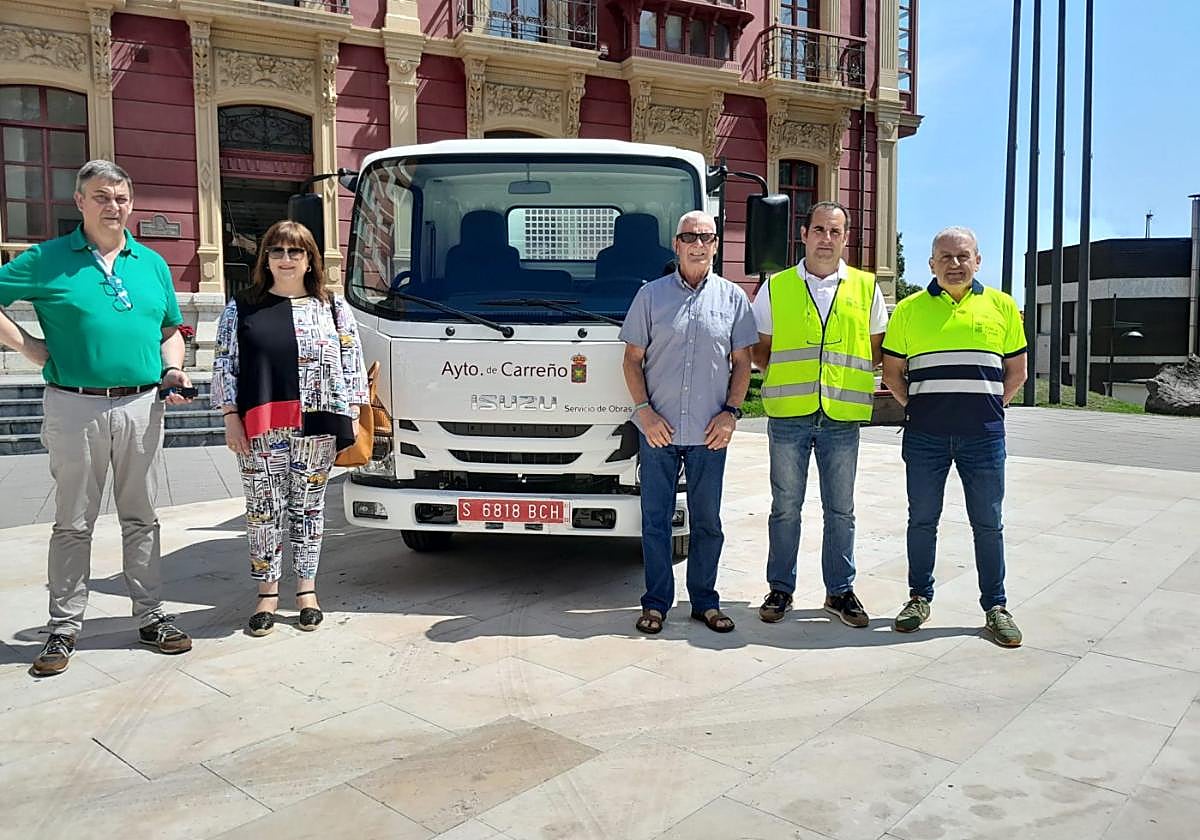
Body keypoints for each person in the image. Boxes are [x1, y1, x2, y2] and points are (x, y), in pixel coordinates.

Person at [0, 159, 194, 676]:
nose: (114, 206)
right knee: (74, 520)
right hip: (75, 404)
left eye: (121, 197)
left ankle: (151, 616)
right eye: (102, 197)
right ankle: (64, 627)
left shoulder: (150, 262)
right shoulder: (46, 259)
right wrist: (30, 347)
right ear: (80, 202)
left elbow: (170, 330)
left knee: (142, 515)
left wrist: (173, 369)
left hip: (141, 405)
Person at [212, 220, 368, 637]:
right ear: (266, 258)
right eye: (277, 251)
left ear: (309, 260)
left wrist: (354, 413)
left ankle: (306, 593)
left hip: (319, 423)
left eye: (295, 251)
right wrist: (229, 416)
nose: (286, 259)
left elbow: (352, 361)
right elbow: (225, 362)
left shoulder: (332, 306)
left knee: (309, 508)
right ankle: (266, 595)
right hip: (261, 425)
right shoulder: (242, 306)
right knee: (263, 510)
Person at [880, 226, 1027, 647]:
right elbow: (892, 373)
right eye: (945, 257)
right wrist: (918, 408)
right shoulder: (909, 310)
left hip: (984, 438)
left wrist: (991, 406)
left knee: (988, 523)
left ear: (978, 261)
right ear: (931, 264)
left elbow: (1016, 372)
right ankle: (918, 598)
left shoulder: (1002, 306)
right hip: (925, 437)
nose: (955, 264)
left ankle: (995, 606)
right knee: (922, 520)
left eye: (963, 256)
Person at [751, 201, 888, 628]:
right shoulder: (776, 287)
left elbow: (876, 350)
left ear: (845, 238)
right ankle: (780, 588)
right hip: (789, 415)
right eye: (819, 230)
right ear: (804, 235)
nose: (826, 239)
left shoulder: (867, 288)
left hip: (841, 416)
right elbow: (759, 350)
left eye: (835, 231)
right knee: (785, 508)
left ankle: (840, 591)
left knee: (841, 510)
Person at [619, 210, 758, 634]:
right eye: (690, 237)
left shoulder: (733, 299)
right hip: (658, 431)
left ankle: (705, 602)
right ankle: (656, 603)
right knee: (655, 521)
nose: (698, 244)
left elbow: (743, 363)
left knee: (707, 522)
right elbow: (632, 360)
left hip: (709, 433)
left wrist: (731, 414)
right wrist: (644, 412)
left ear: (716, 245)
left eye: (706, 237)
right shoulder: (650, 296)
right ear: (676, 244)